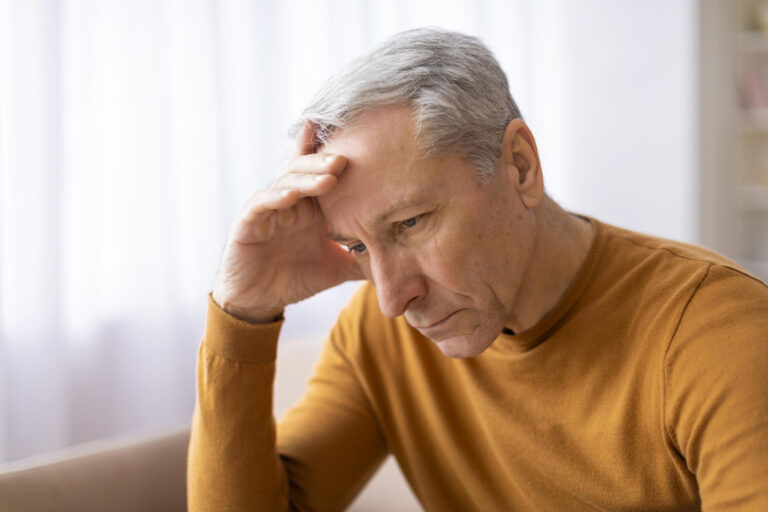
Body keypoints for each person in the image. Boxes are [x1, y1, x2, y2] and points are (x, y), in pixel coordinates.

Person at [187, 28, 768, 511]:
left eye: (410, 223)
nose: (393, 298)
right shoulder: (379, 331)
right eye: (357, 246)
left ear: (519, 166)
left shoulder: (716, 334)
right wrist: (244, 312)